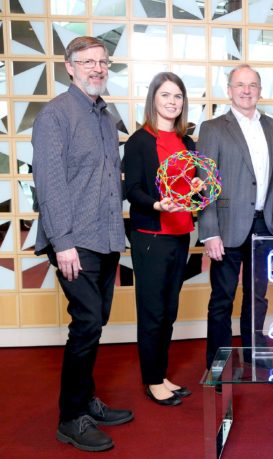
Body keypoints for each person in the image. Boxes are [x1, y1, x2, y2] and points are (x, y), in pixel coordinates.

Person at [31, 36, 133, 452]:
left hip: (105, 236)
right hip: (73, 240)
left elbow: (108, 182)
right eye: (87, 62)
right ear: (69, 67)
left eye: (102, 62)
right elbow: (50, 185)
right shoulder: (54, 115)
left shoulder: (106, 117)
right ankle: (70, 418)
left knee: (96, 322)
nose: (97, 68)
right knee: (87, 323)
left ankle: (86, 400)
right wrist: (64, 243)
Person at [198, 64, 273, 369]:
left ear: (260, 91)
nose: (246, 90)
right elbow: (205, 183)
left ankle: (254, 352)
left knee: (257, 295)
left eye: (252, 85)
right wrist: (209, 231)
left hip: (265, 224)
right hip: (226, 227)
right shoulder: (212, 128)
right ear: (229, 90)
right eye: (240, 85)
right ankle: (218, 363)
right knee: (222, 298)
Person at [124, 72, 201, 406]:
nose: (172, 102)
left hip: (181, 235)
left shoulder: (189, 143)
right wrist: (157, 204)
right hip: (151, 236)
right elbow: (132, 191)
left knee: (169, 310)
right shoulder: (139, 141)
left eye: (178, 96)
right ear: (153, 98)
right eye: (166, 95)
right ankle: (152, 380)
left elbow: (190, 190)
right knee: (153, 311)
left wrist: (196, 191)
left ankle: (161, 373)